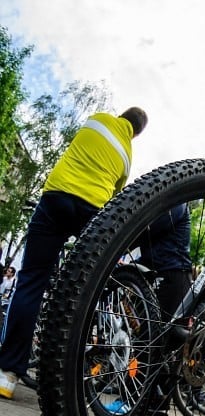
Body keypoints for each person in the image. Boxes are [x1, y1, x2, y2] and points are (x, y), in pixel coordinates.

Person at [0, 107, 148, 399]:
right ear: (137, 133)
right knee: (80, 292)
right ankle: (62, 377)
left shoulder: (98, 119)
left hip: (57, 197)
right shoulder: (127, 156)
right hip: (92, 213)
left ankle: (7, 375)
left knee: (31, 282)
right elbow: (116, 196)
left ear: (121, 115)